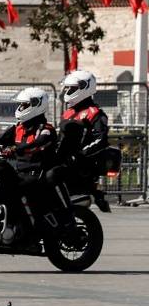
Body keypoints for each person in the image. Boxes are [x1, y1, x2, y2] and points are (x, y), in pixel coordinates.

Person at [0, 87, 60, 244]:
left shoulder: (46, 130)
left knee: (11, 191)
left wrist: (15, 149)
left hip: (37, 174)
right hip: (20, 172)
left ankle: (18, 230)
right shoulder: (18, 128)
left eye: (24, 105)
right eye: (20, 105)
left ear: (36, 105)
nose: (20, 108)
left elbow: (39, 143)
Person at [57, 69, 112, 212]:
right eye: (68, 88)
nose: (68, 91)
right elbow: (61, 138)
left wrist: (79, 155)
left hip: (81, 163)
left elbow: (101, 139)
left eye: (72, 88)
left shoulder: (94, 113)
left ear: (85, 88)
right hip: (64, 158)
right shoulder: (69, 112)